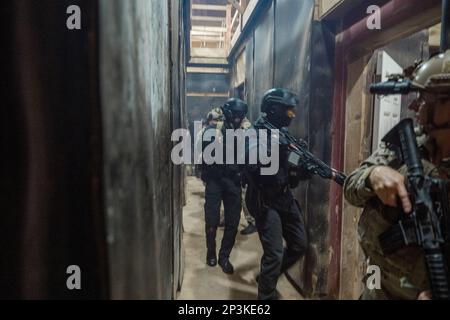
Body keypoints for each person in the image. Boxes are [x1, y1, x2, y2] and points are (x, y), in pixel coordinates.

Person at [344, 50, 450, 300]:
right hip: (376, 286)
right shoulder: (406, 144)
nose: (414, 105)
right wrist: (372, 175)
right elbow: (351, 187)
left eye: (425, 99)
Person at [244, 88, 310, 300]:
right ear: (273, 109)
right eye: (288, 111)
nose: (292, 115)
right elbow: (250, 165)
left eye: (293, 111)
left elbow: (293, 174)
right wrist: (276, 152)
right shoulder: (254, 133)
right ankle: (266, 296)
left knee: (300, 244)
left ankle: (267, 278)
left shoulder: (282, 133)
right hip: (265, 199)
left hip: (284, 197)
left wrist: (300, 164)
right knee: (274, 254)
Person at [202, 98, 249, 274]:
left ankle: (224, 257)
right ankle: (211, 252)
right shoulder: (213, 130)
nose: (237, 119)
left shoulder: (246, 132)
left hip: (233, 182)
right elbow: (205, 157)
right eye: (235, 115)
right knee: (212, 220)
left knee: (233, 222)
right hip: (215, 181)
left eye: (240, 116)